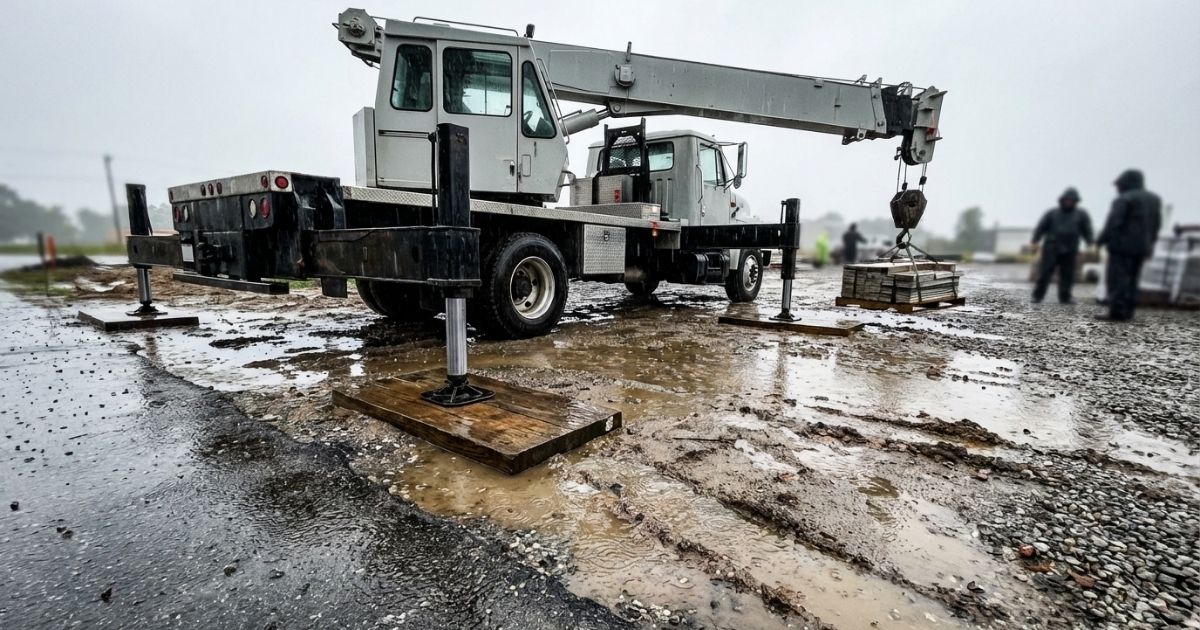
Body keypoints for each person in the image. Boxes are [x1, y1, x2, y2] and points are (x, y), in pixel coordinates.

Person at [1097, 169, 1162, 321]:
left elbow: (1114, 222)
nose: (1117, 188)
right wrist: (1150, 244)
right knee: (1133, 279)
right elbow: (1156, 224)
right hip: (1142, 247)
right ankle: (1128, 311)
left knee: (1117, 279)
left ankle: (1117, 312)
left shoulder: (1124, 199)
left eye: (1119, 185)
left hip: (1121, 246)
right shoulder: (1155, 199)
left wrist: (1101, 240)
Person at [1030, 188, 1093, 303]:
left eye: (1071, 200)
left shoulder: (1081, 215)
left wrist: (1091, 243)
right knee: (1045, 273)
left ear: (1075, 201)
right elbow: (1041, 227)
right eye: (1067, 200)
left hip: (1070, 249)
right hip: (1051, 248)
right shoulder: (1052, 213)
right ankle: (1037, 295)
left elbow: (1087, 230)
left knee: (1068, 274)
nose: (1069, 202)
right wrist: (1035, 241)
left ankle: (1065, 297)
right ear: (1062, 200)